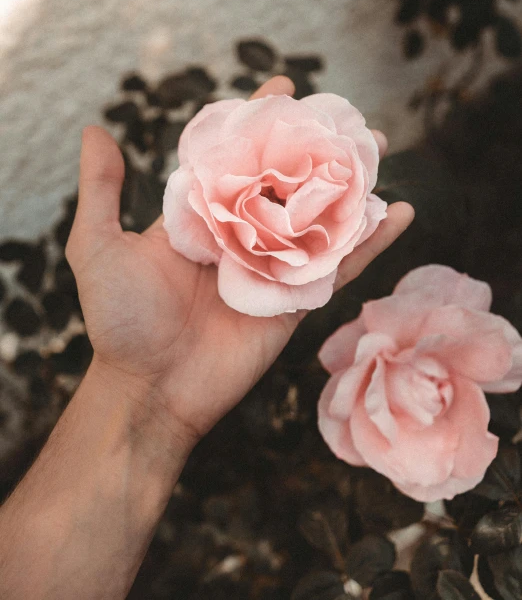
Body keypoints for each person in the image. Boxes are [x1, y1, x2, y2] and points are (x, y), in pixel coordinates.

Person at [0, 76, 414, 599]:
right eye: (269, 193)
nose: (278, 197)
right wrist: (133, 382)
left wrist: (132, 389)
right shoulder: (197, 204)